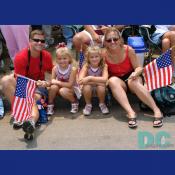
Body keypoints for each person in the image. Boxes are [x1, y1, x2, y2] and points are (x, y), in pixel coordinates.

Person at [102, 27, 162, 128]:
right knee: (112, 81)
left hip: (132, 76)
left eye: (115, 39)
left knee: (132, 82)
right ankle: (131, 113)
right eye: (109, 40)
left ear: (120, 39)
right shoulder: (103, 54)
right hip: (117, 81)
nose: (112, 42)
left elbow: (138, 67)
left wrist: (135, 73)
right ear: (105, 42)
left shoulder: (128, 50)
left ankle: (156, 110)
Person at [0, 29, 53, 136]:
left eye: (42, 41)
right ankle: (23, 116)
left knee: (32, 98)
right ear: (29, 41)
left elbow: (52, 74)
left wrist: (47, 83)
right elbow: (21, 82)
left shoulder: (46, 55)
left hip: (39, 86)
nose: (39, 43)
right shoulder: (20, 57)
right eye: (36, 40)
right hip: (24, 84)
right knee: (5, 81)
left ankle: (29, 120)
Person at [48, 43, 79, 115]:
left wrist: (57, 82)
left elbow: (70, 85)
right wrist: (46, 83)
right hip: (60, 87)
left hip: (70, 89)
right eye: (59, 59)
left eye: (64, 58)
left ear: (69, 58)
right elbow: (52, 81)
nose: (62, 61)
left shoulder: (72, 69)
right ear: (56, 59)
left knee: (63, 90)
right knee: (53, 87)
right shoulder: (55, 68)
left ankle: (74, 101)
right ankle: (50, 104)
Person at [78, 45, 109, 116]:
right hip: (89, 88)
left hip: (100, 88)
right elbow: (80, 81)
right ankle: (88, 104)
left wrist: (89, 78)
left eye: (96, 56)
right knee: (86, 87)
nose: (94, 59)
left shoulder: (104, 66)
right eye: (92, 57)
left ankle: (102, 103)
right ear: (88, 58)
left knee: (101, 87)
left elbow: (105, 79)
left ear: (100, 57)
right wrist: (98, 82)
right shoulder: (86, 66)